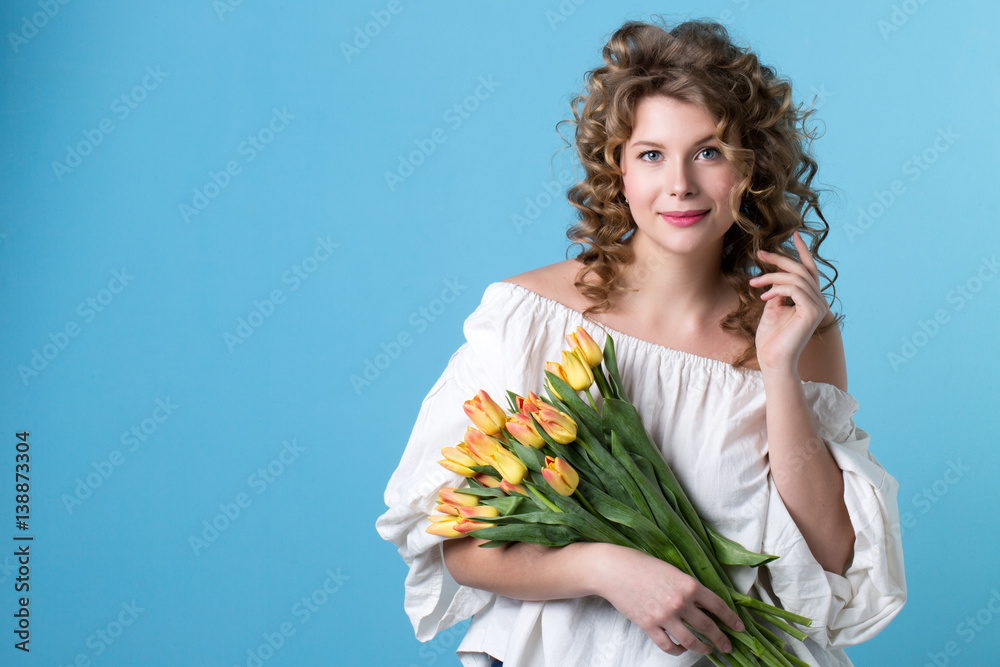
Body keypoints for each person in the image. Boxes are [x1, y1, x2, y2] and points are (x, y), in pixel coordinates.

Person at [376, 17, 906, 667]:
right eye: (652, 154)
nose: (679, 184)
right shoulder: (529, 317)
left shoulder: (796, 329)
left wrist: (777, 369)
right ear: (618, 168)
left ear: (750, 169)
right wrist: (606, 567)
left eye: (709, 151)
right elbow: (463, 546)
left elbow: (830, 552)